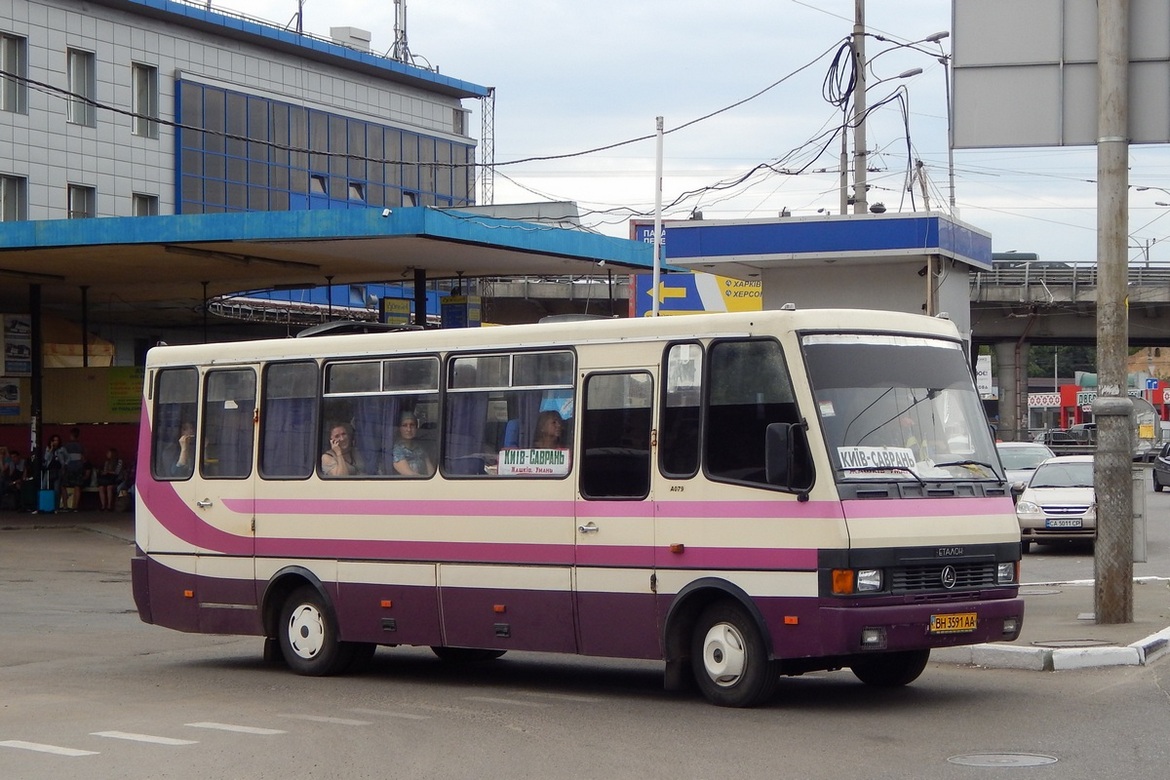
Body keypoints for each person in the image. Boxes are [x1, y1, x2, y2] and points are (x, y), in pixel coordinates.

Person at [392, 412, 433, 476]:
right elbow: (410, 474)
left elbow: (431, 471)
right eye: (404, 425)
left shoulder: (420, 448)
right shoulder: (396, 450)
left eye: (412, 425)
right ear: (399, 429)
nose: (409, 429)